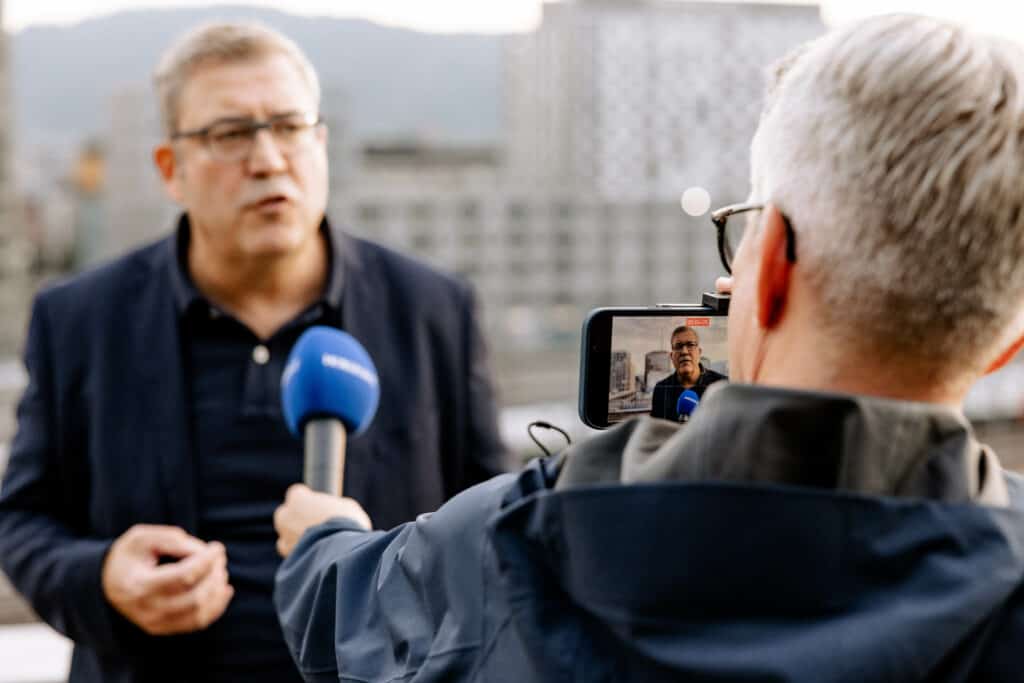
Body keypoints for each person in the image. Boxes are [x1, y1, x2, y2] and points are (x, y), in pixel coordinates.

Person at [272, 14, 1024, 682]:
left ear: (766, 271)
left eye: (746, 231)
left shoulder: (532, 530)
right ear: (1005, 345)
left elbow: (341, 613)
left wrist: (322, 532)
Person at [0, 21, 506, 683]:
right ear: (170, 170)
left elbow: (496, 525)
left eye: (290, 127)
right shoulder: (80, 319)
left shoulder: (431, 308)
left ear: (320, 143)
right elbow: (24, 519)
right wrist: (102, 576)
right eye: (230, 134)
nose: (268, 159)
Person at [649, 325, 726, 420]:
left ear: (699, 352)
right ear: (672, 356)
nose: (684, 351)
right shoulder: (661, 388)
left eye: (690, 345)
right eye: (678, 346)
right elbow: (656, 431)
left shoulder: (722, 385)